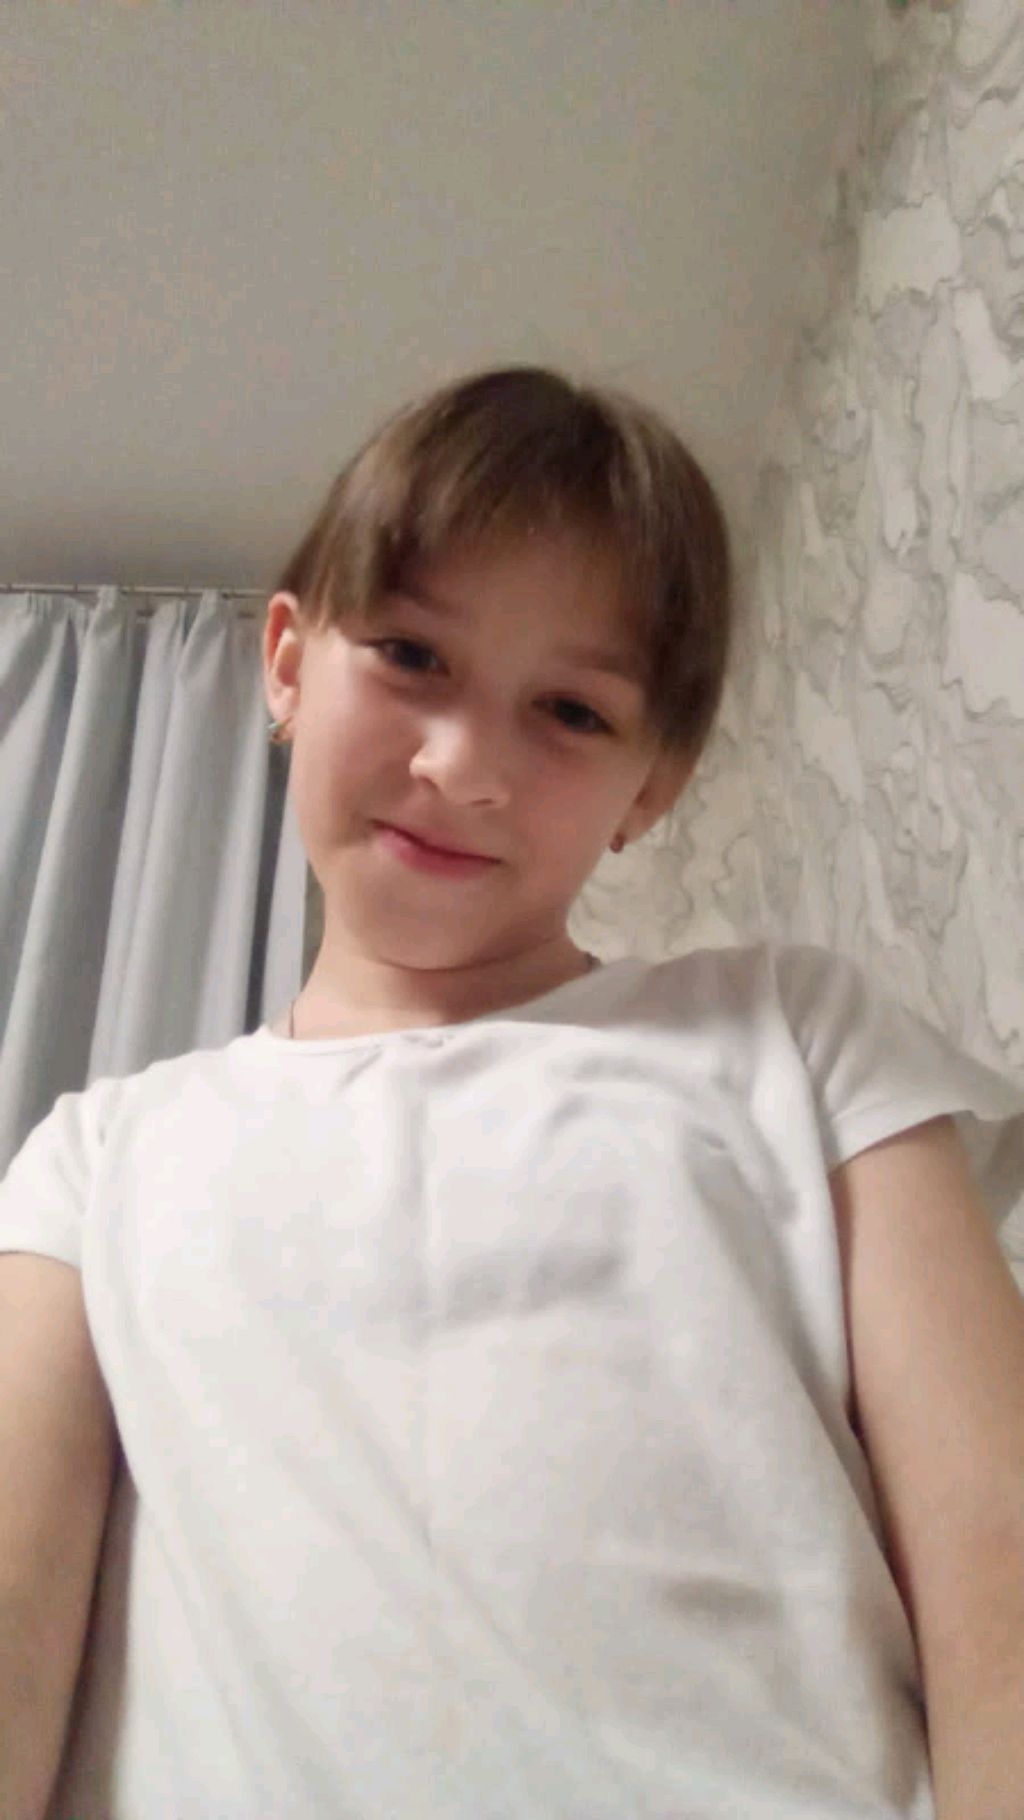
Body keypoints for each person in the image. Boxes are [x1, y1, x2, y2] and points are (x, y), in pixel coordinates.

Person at [1, 365, 1023, 1820]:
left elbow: (999, 1564)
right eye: (411, 655)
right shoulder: (97, 1161)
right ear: (286, 663)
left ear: (653, 785)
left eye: (572, 712)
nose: (466, 766)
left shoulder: (795, 1039)